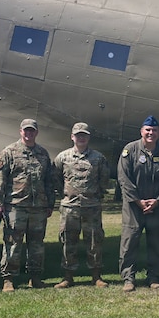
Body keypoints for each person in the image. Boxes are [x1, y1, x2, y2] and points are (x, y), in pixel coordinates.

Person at [0, 118, 55, 292]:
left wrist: (50, 203)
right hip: (15, 206)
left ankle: (35, 277)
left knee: (37, 244)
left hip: (38, 207)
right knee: (12, 243)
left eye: (32, 130)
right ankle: (8, 279)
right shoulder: (8, 152)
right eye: (26, 130)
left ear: (36, 132)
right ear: (20, 131)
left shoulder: (43, 153)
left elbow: (49, 181)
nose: (29, 133)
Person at [117, 115, 159, 292]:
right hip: (134, 206)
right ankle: (128, 278)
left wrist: (158, 201)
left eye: (154, 130)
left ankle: (154, 277)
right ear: (141, 131)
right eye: (148, 130)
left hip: (156, 207)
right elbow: (124, 178)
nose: (151, 133)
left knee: (157, 243)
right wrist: (138, 200)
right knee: (130, 242)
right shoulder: (130, 150)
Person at [53, 122, 111, 289]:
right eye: (78, 135)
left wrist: (94, 195)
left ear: (88, 137)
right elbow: (56, 178)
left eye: (84, 135)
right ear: (72, 137)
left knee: (94, 242)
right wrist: (65, 194)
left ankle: (96, 276)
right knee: (68, 242)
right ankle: (68, 277)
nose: (81, 137)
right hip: (69, 207)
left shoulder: (98, 158)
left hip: (91, 206)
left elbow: (104, 180)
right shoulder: (62, 157)